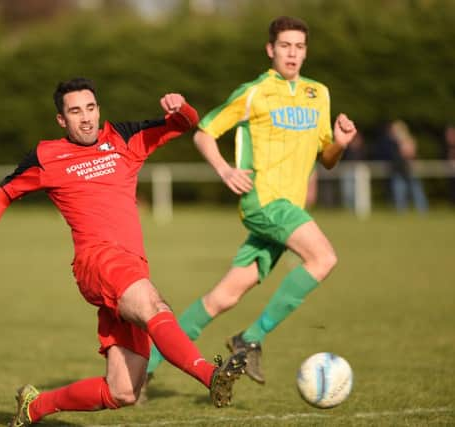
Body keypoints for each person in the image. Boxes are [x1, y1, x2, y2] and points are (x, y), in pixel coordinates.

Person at [0, 78, 247, 426]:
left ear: (99, 109)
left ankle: (35, 406)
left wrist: (180, 106)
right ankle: (210, 376)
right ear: (62, 120)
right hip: (97, 262)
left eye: (91, 108)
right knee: (155, 305)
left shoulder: (123, 138)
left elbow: (185, 123)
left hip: (132, 267)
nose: (86, 118)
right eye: (75, 111)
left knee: (122, 391)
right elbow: (2, 195)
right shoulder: (47, 156)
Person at [142, 16, 357, 398]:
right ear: (270, 50)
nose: (293, 53)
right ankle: (249, 339)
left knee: (222, 297)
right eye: (285, 46)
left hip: (285, 209)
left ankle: (145, 368)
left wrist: (339, 142)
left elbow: (327, 158)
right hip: (264, 200)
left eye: (299, 46)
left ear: (305, 51)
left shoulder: (318, 93)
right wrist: (225, 170)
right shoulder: (255, 91)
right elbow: (205, 132)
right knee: (323, 258)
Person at [385, 119, 428, 213]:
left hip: (409, 170)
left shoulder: (408, 140)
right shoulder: (391, 142)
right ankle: (402, 211)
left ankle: (422, 210)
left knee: (416, 191)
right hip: (397, 170)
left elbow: (409, 153)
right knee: (399, 192)